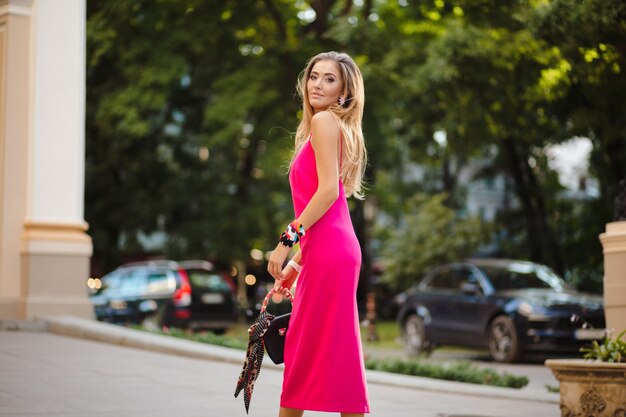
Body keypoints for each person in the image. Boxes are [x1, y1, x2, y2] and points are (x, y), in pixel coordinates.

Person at [267, 51, 370, 417]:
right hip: (328, 249)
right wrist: (298, 261)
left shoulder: (327, 121)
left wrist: (285, 241)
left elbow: (327, 192)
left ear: (344, 91)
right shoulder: (323, 126)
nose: (318, 85)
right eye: (314, 76)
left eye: (329, 79)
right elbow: (325, 203)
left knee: (304, 350)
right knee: (326, 349)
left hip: (331, 251)